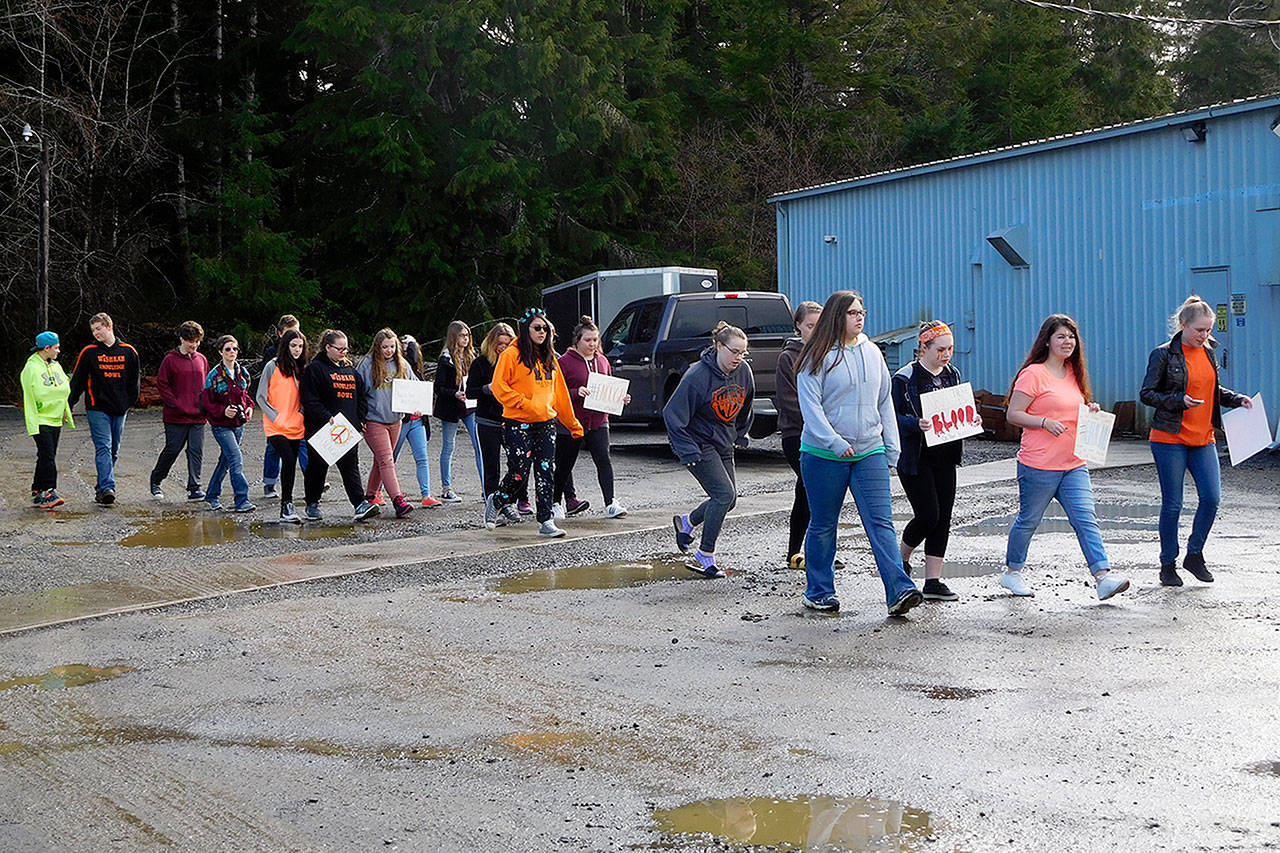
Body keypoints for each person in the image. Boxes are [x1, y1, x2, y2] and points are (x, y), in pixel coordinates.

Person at [795, 290, 922, 615]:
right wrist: (834, 441)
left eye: (861, 311)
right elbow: (811, 410)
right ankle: (819, 591)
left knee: (881, 523)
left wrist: (891, 446)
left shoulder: (871, 352)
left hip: (869, 452)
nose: (859, 317)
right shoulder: (816, 356)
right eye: (852, 312)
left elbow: (884, 402)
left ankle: (899, 590)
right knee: (824, 523)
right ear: (838, 317)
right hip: (824, 454)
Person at [1000, 314, 1129, 600]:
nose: (1067, 342)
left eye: (1071, 337)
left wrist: (1090, 409)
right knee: (1029, 520)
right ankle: (1012, 573)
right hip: (1039, 464)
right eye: (1061, 336)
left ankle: (1102, 577)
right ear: (1047, 340)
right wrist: (1044, 422)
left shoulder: (1073, 372)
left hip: (1073, 463)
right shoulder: (1033, 374)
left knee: (1086, 519)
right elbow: (1013, 414)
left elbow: (1073, 408)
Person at [1140, 296, 1251, 586]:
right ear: (1183, 324)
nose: (1204, 336)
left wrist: (1237, 399)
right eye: (1199, 330)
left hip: (1204, 438)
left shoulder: (1209, 352)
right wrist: (1179, 400)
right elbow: (1147, 393)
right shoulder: (1163, 354)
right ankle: (1167, 564)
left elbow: (1212, 390)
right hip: (1169, 437)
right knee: (1173, 504)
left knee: (1212, 498)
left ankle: (1194, 554)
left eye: (1208, 330)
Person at [892, 321, 980, 603]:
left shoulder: (953, 374)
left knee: (943, 518)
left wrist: (971, 418)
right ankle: (902, 558)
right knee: (928, 514)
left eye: (950, 348)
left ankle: (933, 580)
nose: (947, 354)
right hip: (917, 457)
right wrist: (915, 423)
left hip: (946, 454)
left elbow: (958, 410)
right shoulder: (906, 378)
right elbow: (892, 417)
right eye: (940, 349)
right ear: (923, 347)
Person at [663, 321, 756, 578]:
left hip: (724, 442)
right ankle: (705, 554)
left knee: (730, 500)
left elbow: (746, 403)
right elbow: (672, 414)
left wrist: (741, 433)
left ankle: (687, 522)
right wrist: (687, 450)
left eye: (743, 352)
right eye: (734, 351)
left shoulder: (744, 371)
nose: (739, 357)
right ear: (718, 346)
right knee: (724, 495)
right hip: (699, 443)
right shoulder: (697, 375)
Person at [484, 309, 583, 537]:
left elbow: (560, 396)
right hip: (517, 421)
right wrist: (523, 403)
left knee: (546, 470)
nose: (542, 332)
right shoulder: (511, 354)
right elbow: (499, 387)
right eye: (537, 328)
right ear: (526, 329)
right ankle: (498, 499)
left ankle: (546, 520)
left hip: (546, 422)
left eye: (545, 329)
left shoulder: (550, 358)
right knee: (519, 471)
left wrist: (573, 424)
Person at [553, 316, 631, 520]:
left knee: (604, 460)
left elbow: (609, 385)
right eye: (588, 340)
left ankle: (610, 502)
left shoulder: (602, 361)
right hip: (573, 420)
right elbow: (555, 392)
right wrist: (575, 392)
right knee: (565, 463)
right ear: (577, 341)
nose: (592, 344)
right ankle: (555, 501)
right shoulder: (565, 362)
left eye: (595, 340)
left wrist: (621, 397)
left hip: (599, 419)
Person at [300, 330, 379, 522]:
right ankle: (312, 503)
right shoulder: (315, 369)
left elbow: (361, 398)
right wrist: (326, 417)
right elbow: (309, 400)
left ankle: (359, 504)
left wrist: (360, 420)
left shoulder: (351, 371)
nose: (344, 352)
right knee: (318, 468)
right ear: (328, 347)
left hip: (347, 430)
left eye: (346, 348)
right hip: (322, 429)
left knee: (350, 467)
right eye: (340, 348)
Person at [68, 312, 140, 505]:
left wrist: (128, 403)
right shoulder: (89, 352)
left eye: (98, 328)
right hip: (97, 408)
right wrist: (68, 405)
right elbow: (78, 381)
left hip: (120, 408)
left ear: (109, 326)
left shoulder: (128, 351)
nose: (96, 333)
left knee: (114, 450)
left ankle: (101, 487)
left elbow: (134, 382)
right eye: (93, 330)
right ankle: (108, 487)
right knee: (104, 447)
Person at [776, 300, 823, 570]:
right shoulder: (788, 357)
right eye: (809, 326)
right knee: (813, 488)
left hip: (824, 435)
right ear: (798, 326)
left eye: (819, 326)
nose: (814, 331)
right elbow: (789, 401)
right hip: (797, 435)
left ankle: (799, 552)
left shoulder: (826, 353)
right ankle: (804, 552)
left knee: (805, 492)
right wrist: (817, 424)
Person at [467, 322, 527, 524]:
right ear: (491, 343)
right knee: (490, 464)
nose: (502, 347)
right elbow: (470, 391)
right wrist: (487, 389)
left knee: (517, 464)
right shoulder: (481, 363)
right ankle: (492, 503)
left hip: (510, 419)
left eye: (506, 343)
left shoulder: (516, 363)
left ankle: (507, 501)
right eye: (499, 343)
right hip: (487, 420)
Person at [357, 329, 416, 519]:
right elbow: (357, 393)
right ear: (378, 347)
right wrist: (359, 417)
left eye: (392, 346)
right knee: (387, 460)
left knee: (380, 460)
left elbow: (414, 386)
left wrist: (416, 405)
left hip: (395, 420)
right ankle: (398, 500)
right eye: (385, 347)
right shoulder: (367, 365)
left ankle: (370, 496)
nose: (389, 351)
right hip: (374, 420)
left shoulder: (402, 364)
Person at [150, 321, 209, 502]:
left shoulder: (202, 359)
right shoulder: (170, 360)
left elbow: (207, 384)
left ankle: (195, 487)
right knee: (173, 449)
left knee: (195, 450)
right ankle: (156, 480)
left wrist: (206, 405)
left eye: (197, 342)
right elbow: (163, 384)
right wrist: (175, 404)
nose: (194, 345)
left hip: (198, 416)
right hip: (176, 416)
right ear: (182, 339)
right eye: (191, 341)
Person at [256, 328, 309, 523]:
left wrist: (302, 413)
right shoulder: (272, 366)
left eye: (300, 346)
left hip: (296, 424)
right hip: (275, 425)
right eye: (293, 345)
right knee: (287, 458)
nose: (297, 350)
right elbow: (260, 396)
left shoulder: (302, 368)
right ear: (285, 345)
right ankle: (287, 505)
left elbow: (306, 396)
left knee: (291, 464)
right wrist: (275, 417)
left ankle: (287, 505)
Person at [201, 335, 256, 513]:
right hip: (220, 425)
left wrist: (249, 408)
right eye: (228, 349)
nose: (232, 352)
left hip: (239, 423)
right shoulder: (214, 375)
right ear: (220, 352)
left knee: (226, 460)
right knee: (235, 458)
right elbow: (206, 402)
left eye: (234, 349)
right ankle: (242, 499)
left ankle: (211, 495)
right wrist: (222, 411)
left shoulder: (243, 373)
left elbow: (246, 396)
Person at [21, 331, 74, 509]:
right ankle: (51, 491)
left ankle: (37, 491)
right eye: (56, 348)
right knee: (48, 456)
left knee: (45, 456)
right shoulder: (30, 369)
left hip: (56, 419)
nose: (59, 351)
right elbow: (29, 398)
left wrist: (66, 411)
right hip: (40, 419)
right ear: (47, 348)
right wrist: (33, 422)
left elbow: (63, 390)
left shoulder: (56, 366)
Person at [435, 320, 484, 502]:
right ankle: (446, 487)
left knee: (479, 445)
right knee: (449, 446)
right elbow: (438, 387)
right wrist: (454, 394)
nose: (466, 339)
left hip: (470, 406)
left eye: (467, 335)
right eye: (462, 335)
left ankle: (485, 486)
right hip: (452, 407)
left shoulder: (472, 356)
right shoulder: (446, 359)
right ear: (454, 337)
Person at [393, 334, 441, 508]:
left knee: (422, 458)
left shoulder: (416, 369)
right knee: (390, 458)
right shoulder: (397, 365)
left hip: (417, 419)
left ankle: (426, 494)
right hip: (401, 420)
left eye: (410, 344)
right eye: (403, 343)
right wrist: (409, 347)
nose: (407, 346)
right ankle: (379, 491)